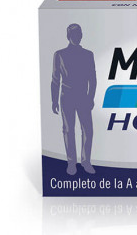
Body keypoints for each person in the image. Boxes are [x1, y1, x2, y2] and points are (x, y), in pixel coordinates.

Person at [51, 24, 97, 175]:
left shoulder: (88, 54)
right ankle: (71, 163)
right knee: (68, 130)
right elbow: (55, 79)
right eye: (74, 35)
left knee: (88, 130)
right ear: (68, 36)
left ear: (82, 36)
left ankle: (86, 161)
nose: (77, 37)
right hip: (67, 97)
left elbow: (93, 79)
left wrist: (91, 97)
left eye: (79, 34)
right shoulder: (59, 54)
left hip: (83, 96)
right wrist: (54, 100)